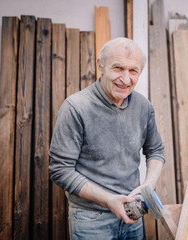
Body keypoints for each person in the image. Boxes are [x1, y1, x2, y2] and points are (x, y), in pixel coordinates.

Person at [49, 37, 165, 240]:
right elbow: (60, 170)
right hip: (91, 220)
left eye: (133, 71)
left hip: (133, 215)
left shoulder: (143, 106)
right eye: (118, 68)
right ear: (100, 65)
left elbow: (155, 151)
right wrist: (109, 200)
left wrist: (149, 184)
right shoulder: (76, 108)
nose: (126, 79)